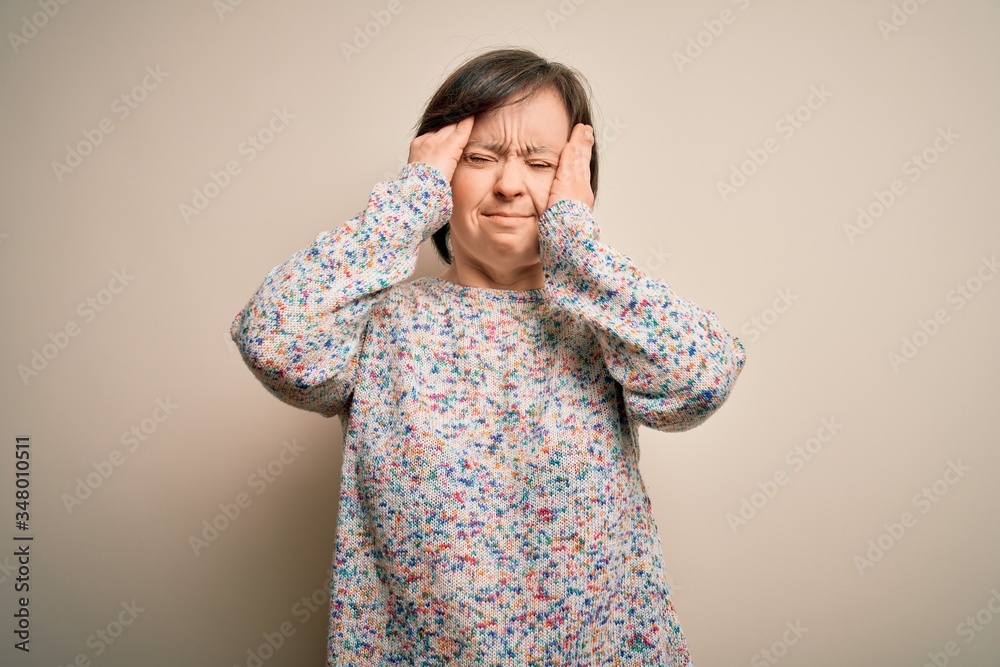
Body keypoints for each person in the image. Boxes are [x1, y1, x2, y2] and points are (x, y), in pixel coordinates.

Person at [230, 46, 746, 667]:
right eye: (480, 158)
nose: (508, 184)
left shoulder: (605, 327)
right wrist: (408, 197)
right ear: (443, 174)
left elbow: (702, 379)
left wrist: (578, 247)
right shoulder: (384, 325)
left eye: (540, 162)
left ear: (576, 180)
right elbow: (272, 340)